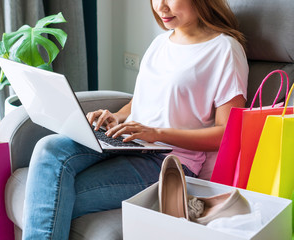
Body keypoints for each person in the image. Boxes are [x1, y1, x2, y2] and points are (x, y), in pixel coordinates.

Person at [22, 0, 249, 239]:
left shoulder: (225, 49)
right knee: (48, 146)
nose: (160, 7)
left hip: (169, 163)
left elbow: (226, 133)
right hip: (130, 143)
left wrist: (157, 134)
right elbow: (140, 101)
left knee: (51, 192)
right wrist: (116, 117)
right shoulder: (160, 42)